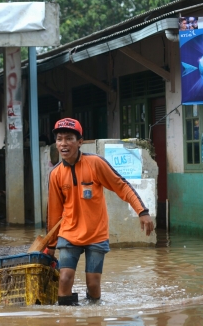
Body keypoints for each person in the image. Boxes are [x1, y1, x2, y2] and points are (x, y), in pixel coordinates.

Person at [46, 118, 154, 306]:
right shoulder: (55, 174)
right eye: (60, 139)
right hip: (69, 233)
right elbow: (54, 212)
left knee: (93, 284)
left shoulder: (95, 163)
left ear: (80, 142)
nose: (64, 144)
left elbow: (121, 186)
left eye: (69, 138)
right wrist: (50, 245)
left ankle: (93, 321)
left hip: (96, 234)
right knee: (64, 279)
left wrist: (142, 211)